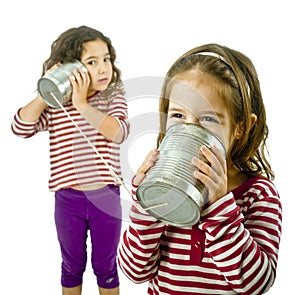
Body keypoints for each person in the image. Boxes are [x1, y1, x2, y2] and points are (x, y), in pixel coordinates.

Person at [118, 43, 282, 294]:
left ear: (241, 128)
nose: (189, 129)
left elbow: (256, 284)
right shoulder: (165, 188)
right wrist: (147, 208)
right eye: (178, 116)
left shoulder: (258, 194)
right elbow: (134, 272)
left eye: (208, 119)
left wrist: (220, 207)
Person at [11, 26, 129, 295]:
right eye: (91, 62)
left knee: (106, 266)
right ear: (71, 68)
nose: (102, 69)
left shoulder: (112, 95)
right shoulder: (56, 106)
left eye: (106, 59)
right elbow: (20, 127)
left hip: (105, 197)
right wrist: (48, 91)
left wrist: (83, 105)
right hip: (68, 200)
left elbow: (119, 132)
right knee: (71, 266)